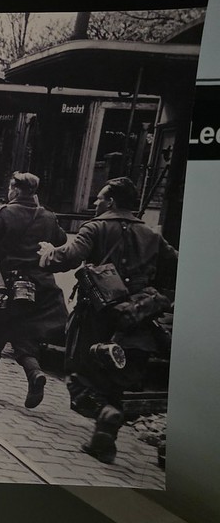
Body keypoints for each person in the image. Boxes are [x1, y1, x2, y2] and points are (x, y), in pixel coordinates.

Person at [38, 177, 178, 464]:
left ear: (111, 201)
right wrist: (153, 295)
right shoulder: (151, 235)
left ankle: (104, 414)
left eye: (100, 198)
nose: (95, 203)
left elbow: (70, 257)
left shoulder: (96, 226)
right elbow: (178, 267)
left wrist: (48, 255)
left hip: (96, 317)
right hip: (135, 318)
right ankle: (104, 442)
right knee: (115, 378)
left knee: (78, 375)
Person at [0, 172, 68, 409]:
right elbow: (60, 240)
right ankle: (34, 373)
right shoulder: (48, 217)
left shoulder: (2, 213)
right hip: (38, 287)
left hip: (5, 285)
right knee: (23, 332)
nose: (8, 193)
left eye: (10, 188)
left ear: (16, 190)